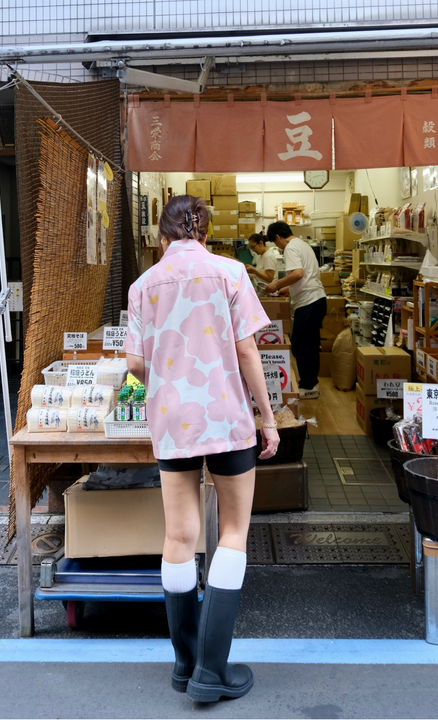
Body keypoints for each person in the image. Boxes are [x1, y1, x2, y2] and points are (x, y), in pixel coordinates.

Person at [125, 194, 279, 703]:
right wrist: (269, 417)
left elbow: (136, 365)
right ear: (205, 234)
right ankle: (212, 671)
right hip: (226, 416)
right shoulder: (232, 272)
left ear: (163, 237)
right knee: (233, 531)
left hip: (172, 419)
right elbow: (247, 351)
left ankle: (184, 662)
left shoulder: (143, 286)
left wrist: (170, 378)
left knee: (179, 535)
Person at [265, 221, 327, 400]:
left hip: (308, 302)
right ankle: (312, 384)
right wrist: (289, 289)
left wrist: (276, 284)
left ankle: (307, 386)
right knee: (311, 344)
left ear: (278, 237)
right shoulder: (302, 244)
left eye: (276, 243)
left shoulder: (291, 248)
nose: (278, 247)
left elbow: (298, 273)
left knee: (301, 344)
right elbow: (306, 275)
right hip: (318, 299)